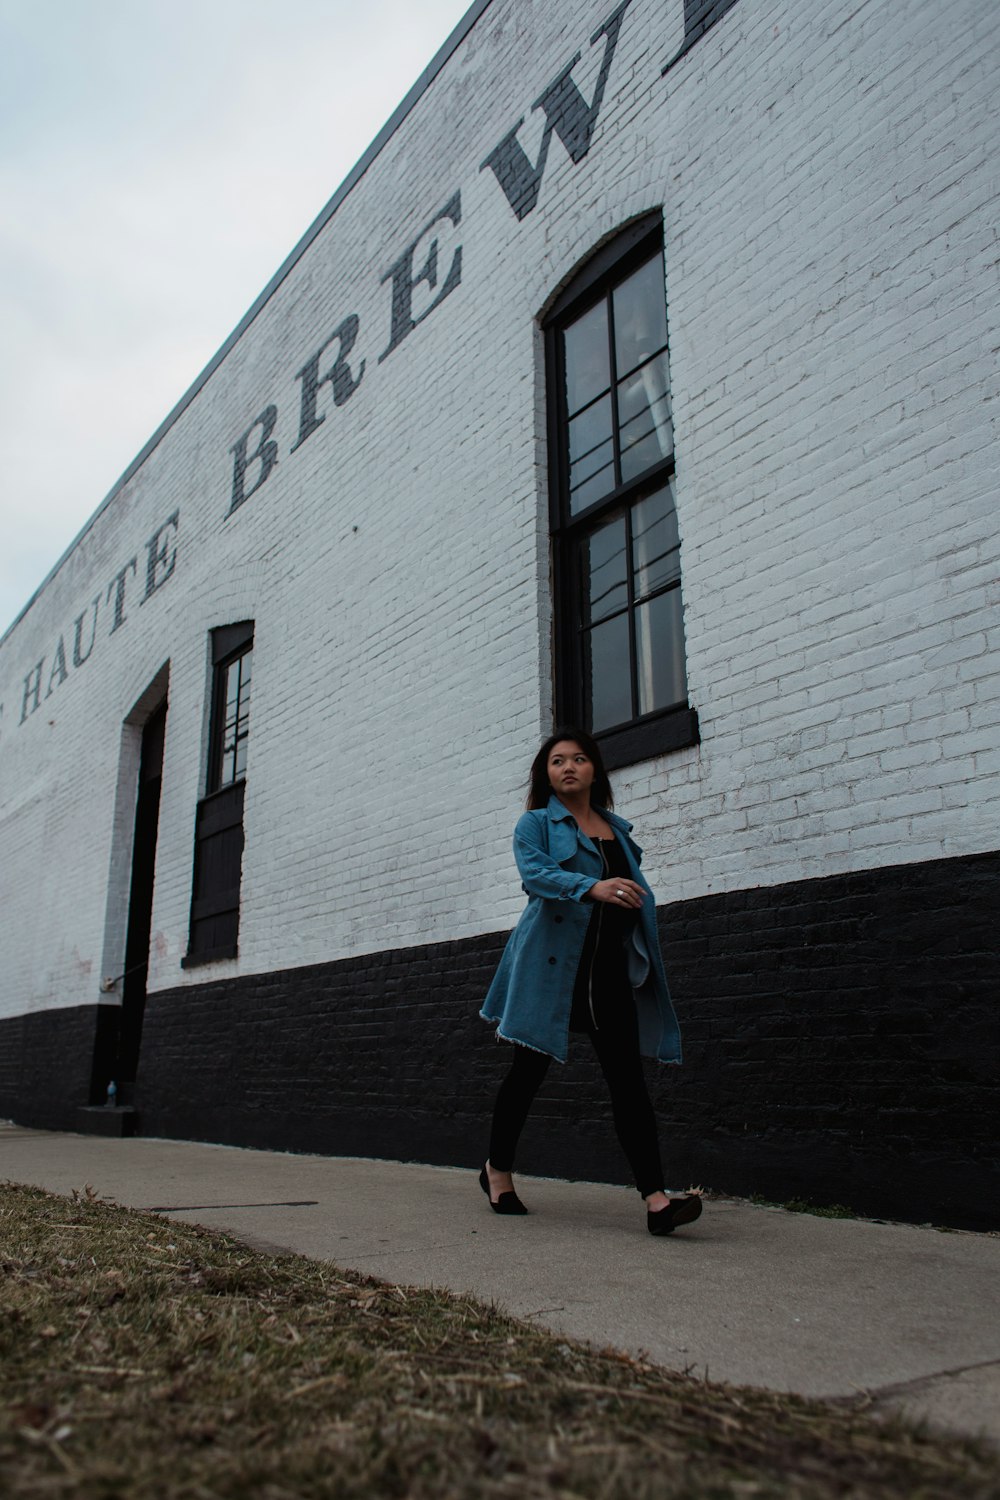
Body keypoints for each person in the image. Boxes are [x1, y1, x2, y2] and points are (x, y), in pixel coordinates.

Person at [479, 727, 702, 1236]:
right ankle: (497, 1171)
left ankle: (656, 1201)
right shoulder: (534, 825)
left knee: (628, 1083)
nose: (569, 768)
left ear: (595, 770)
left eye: (580, 759)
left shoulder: (617, 830)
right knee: (525, 1076)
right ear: (547, 774)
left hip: (608, 973)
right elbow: (536, 877)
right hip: (551, 968)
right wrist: (592, 886)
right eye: (558, 761)